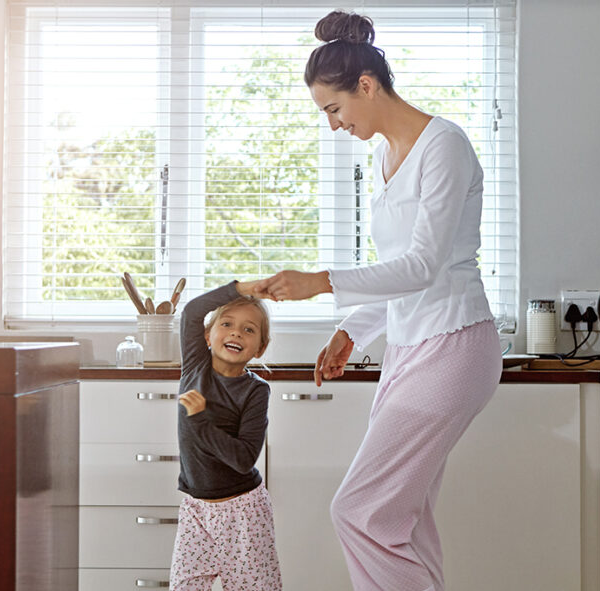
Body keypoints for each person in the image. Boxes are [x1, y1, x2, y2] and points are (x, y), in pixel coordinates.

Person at [251, 10, 503, 591]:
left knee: (360, 511)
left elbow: (423, 266)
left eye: (334, 109)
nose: (334, 126)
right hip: (411, 348)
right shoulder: (383, 158)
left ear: (366, 85)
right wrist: (351, 332)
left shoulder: (445, 145)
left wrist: (319, 282)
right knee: (400, 518)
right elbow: (395, 274)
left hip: (455, 344)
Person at [169, 280, 282, 591]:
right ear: (208, 335)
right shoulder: (195, 366)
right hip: (196, 506)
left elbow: (244, 459)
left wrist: (202, 422)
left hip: (242, 511)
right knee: (185, 586)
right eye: (227, 324)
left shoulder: (255, 391)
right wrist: (242, 288)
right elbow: (192, 311)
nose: (235, 333)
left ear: (260, 347)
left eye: (248, 330)